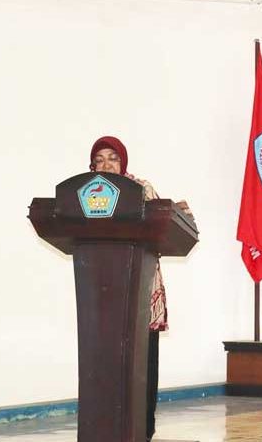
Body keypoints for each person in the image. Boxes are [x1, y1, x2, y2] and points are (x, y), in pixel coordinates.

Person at [89, 135, 191, 442]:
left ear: (123, 162)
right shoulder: (84, 195)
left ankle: (142, 430)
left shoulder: (141, 188)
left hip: (141, 288)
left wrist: (179, 214)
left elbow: (163, 223)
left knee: (141, 364)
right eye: (99, 160)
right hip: (102, 290)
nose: (107, 165)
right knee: (104, 366)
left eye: (113, 158)